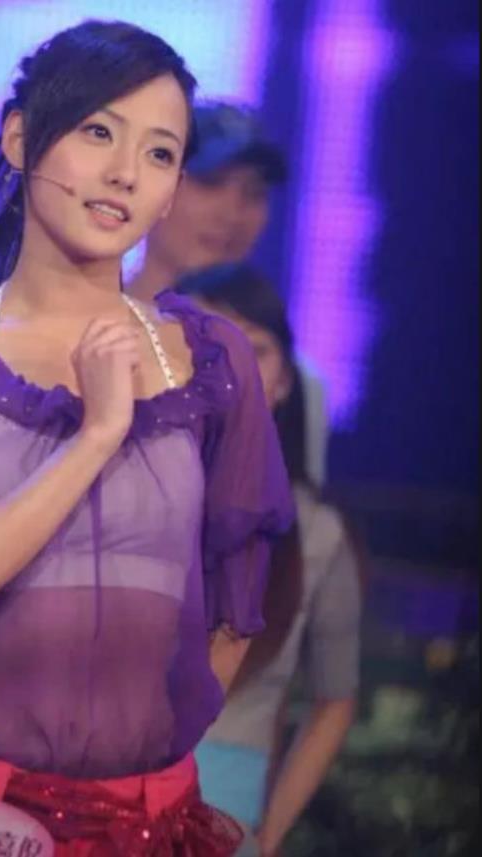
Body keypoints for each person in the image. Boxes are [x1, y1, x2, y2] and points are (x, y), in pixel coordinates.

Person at [0, 20, 294, 857]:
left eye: (160, 153)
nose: (126, 172)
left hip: (145, 819)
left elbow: (236, 602)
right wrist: (97, 435)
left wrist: (140, 754)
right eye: (97, 132)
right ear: (21, 138)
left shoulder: (213, 359)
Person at [177, 261, 362, 856]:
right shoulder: (123, 490)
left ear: (285, 379)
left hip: (223, 817)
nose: (229, 366)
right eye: (205, 342)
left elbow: (335, 699)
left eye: (254, 349)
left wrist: (270, 832)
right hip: (92, 802)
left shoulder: (317, 535)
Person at [127, 102, 329, 487]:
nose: (231, 213)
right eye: (210, 182)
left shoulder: (292, 381)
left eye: (253, 194)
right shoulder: (73, 333)